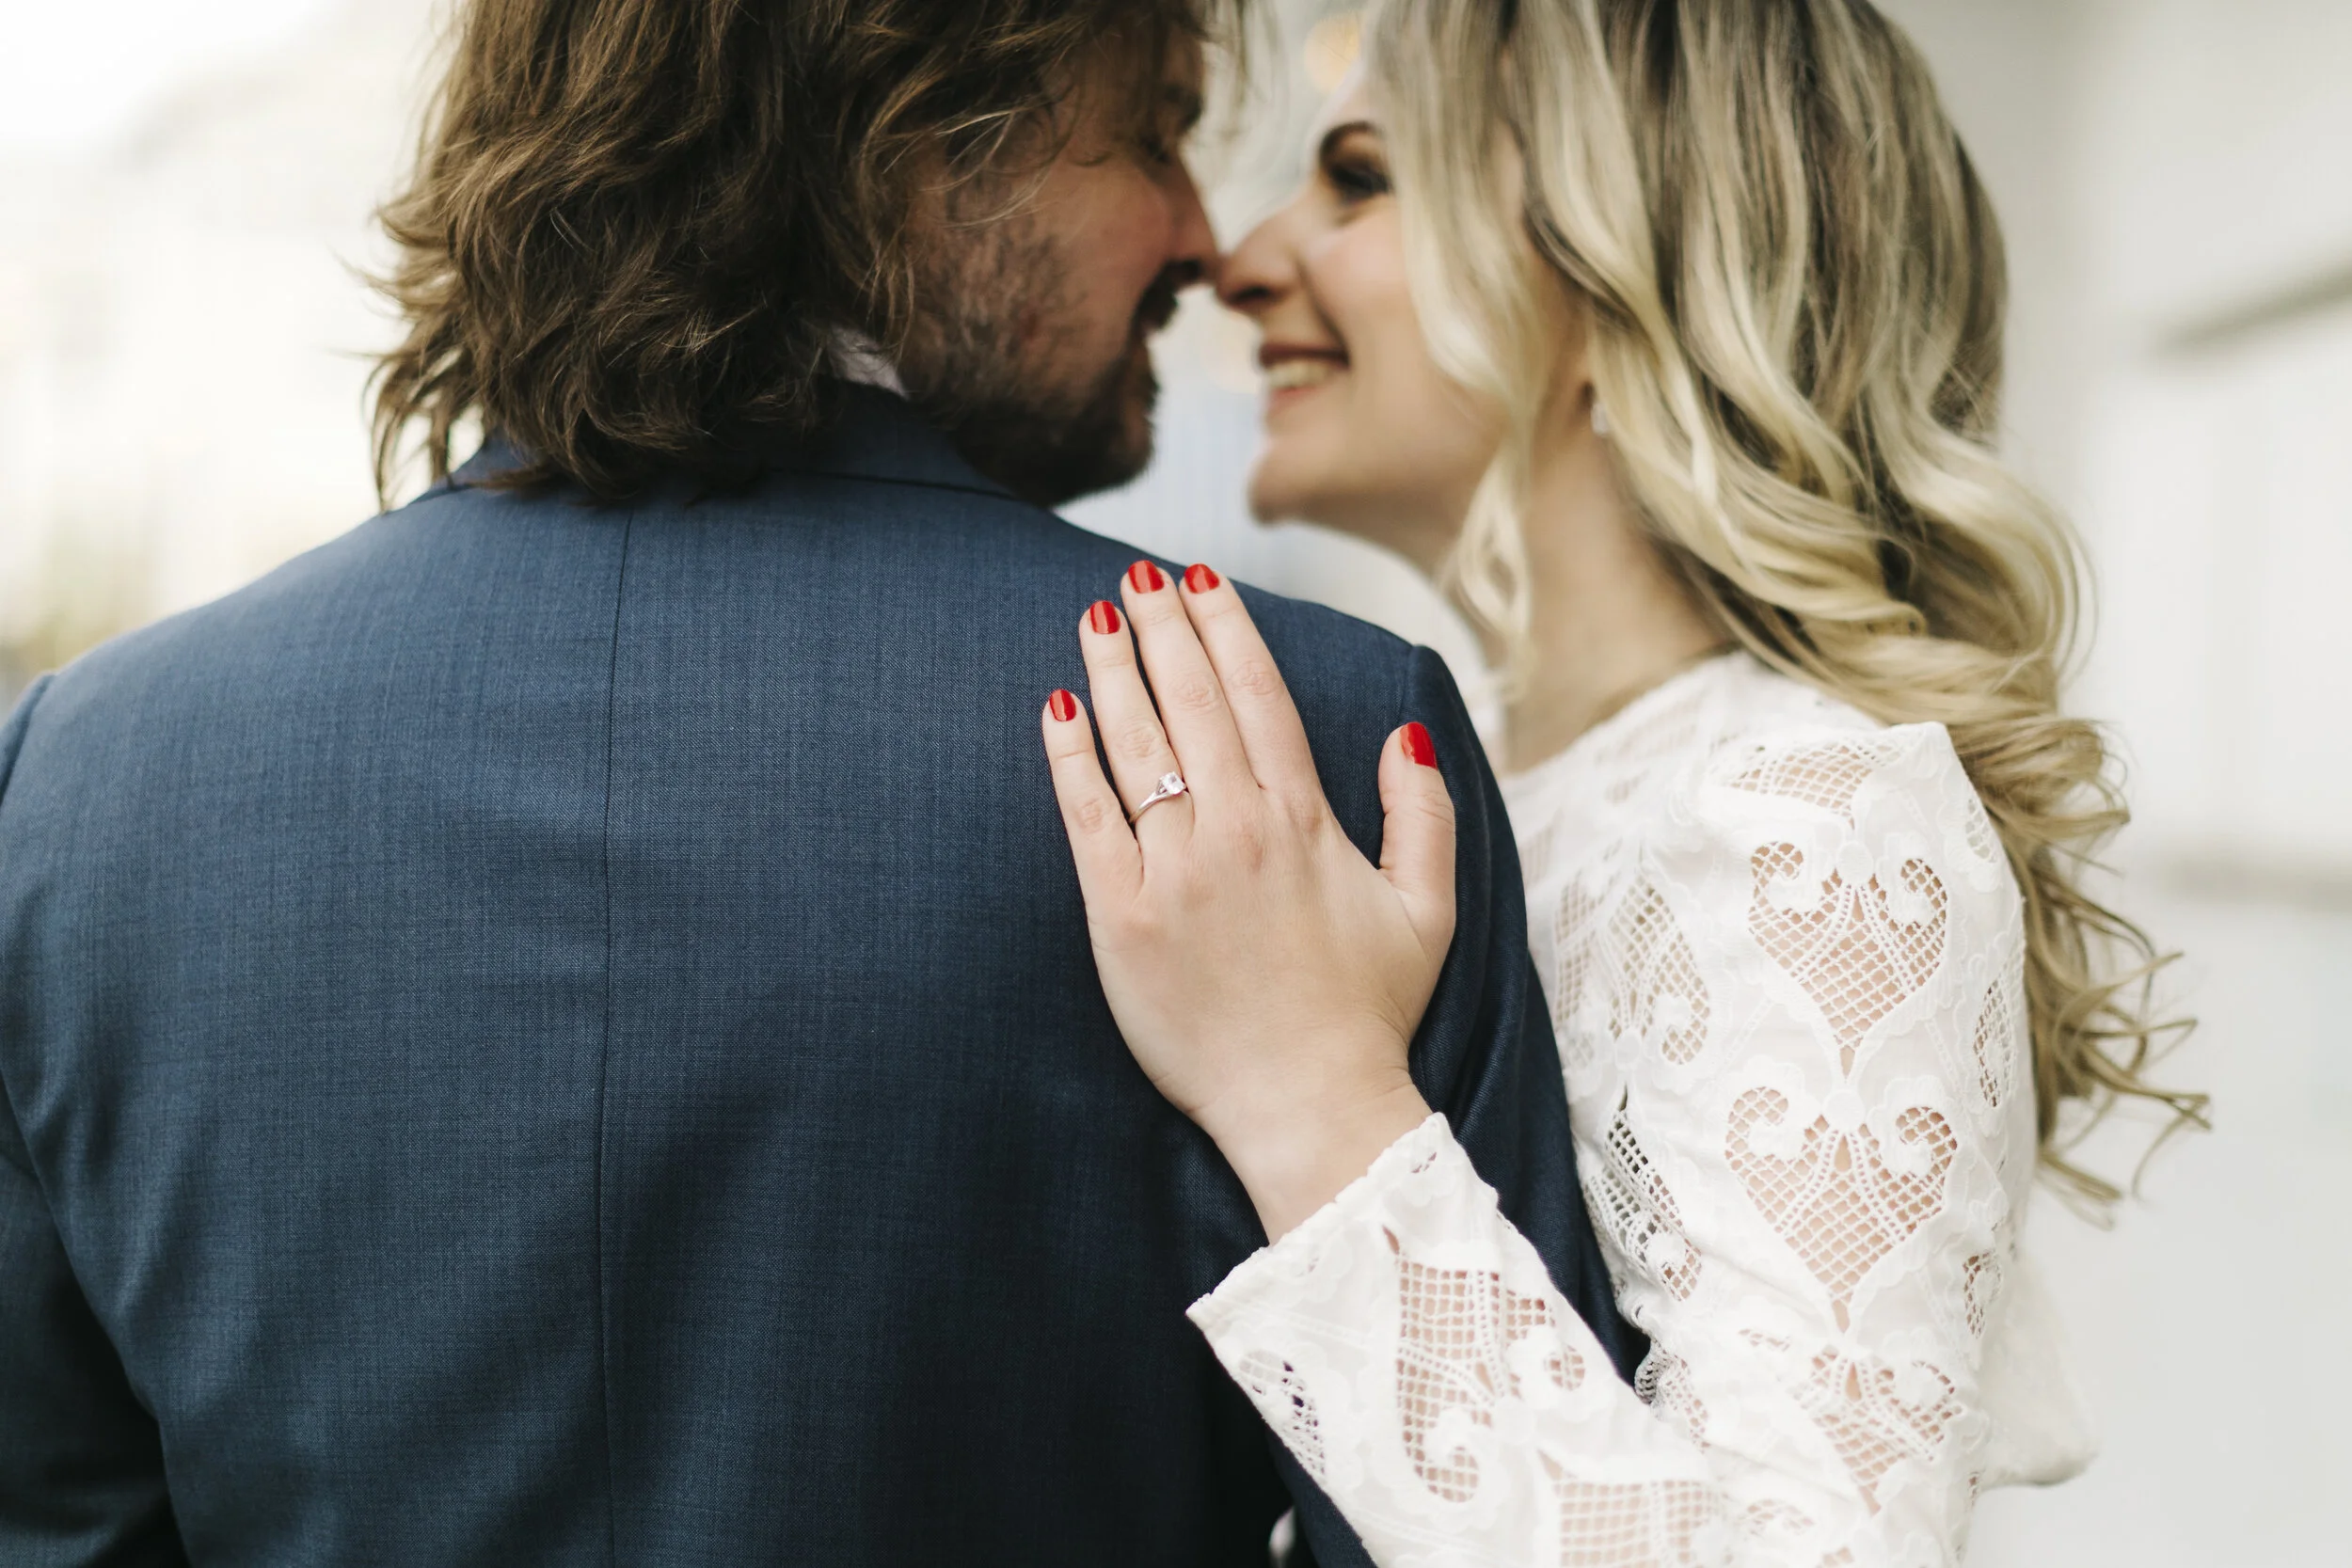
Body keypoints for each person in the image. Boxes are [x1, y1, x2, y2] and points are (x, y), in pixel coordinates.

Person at [0, 2, 1636, 1562]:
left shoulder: (71, 790)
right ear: (921, 142)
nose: (1203, 237)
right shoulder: (1309, 748)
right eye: (1155, 133)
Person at [1040, 0, 2203, 1562]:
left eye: (1363, 176)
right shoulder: (1512, 783)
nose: (1244, 260)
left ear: (1612, 278)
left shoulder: (1807, 816)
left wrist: (1307, 1092)